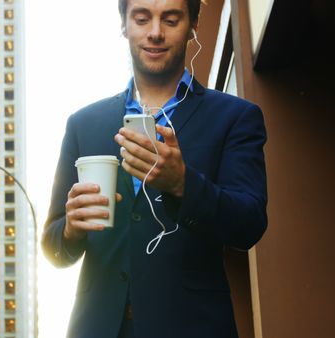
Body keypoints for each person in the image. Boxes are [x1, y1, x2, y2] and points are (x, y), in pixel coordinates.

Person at [41, 0, 267, 337]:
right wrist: (72, 229)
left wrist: (183, 183)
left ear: (192, 25)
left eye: (171, 19)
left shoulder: (235, 118)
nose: (155, 33)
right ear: (124, 25)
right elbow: (53, 246)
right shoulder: (83, 124)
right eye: (142, 19)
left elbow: (249, 226)